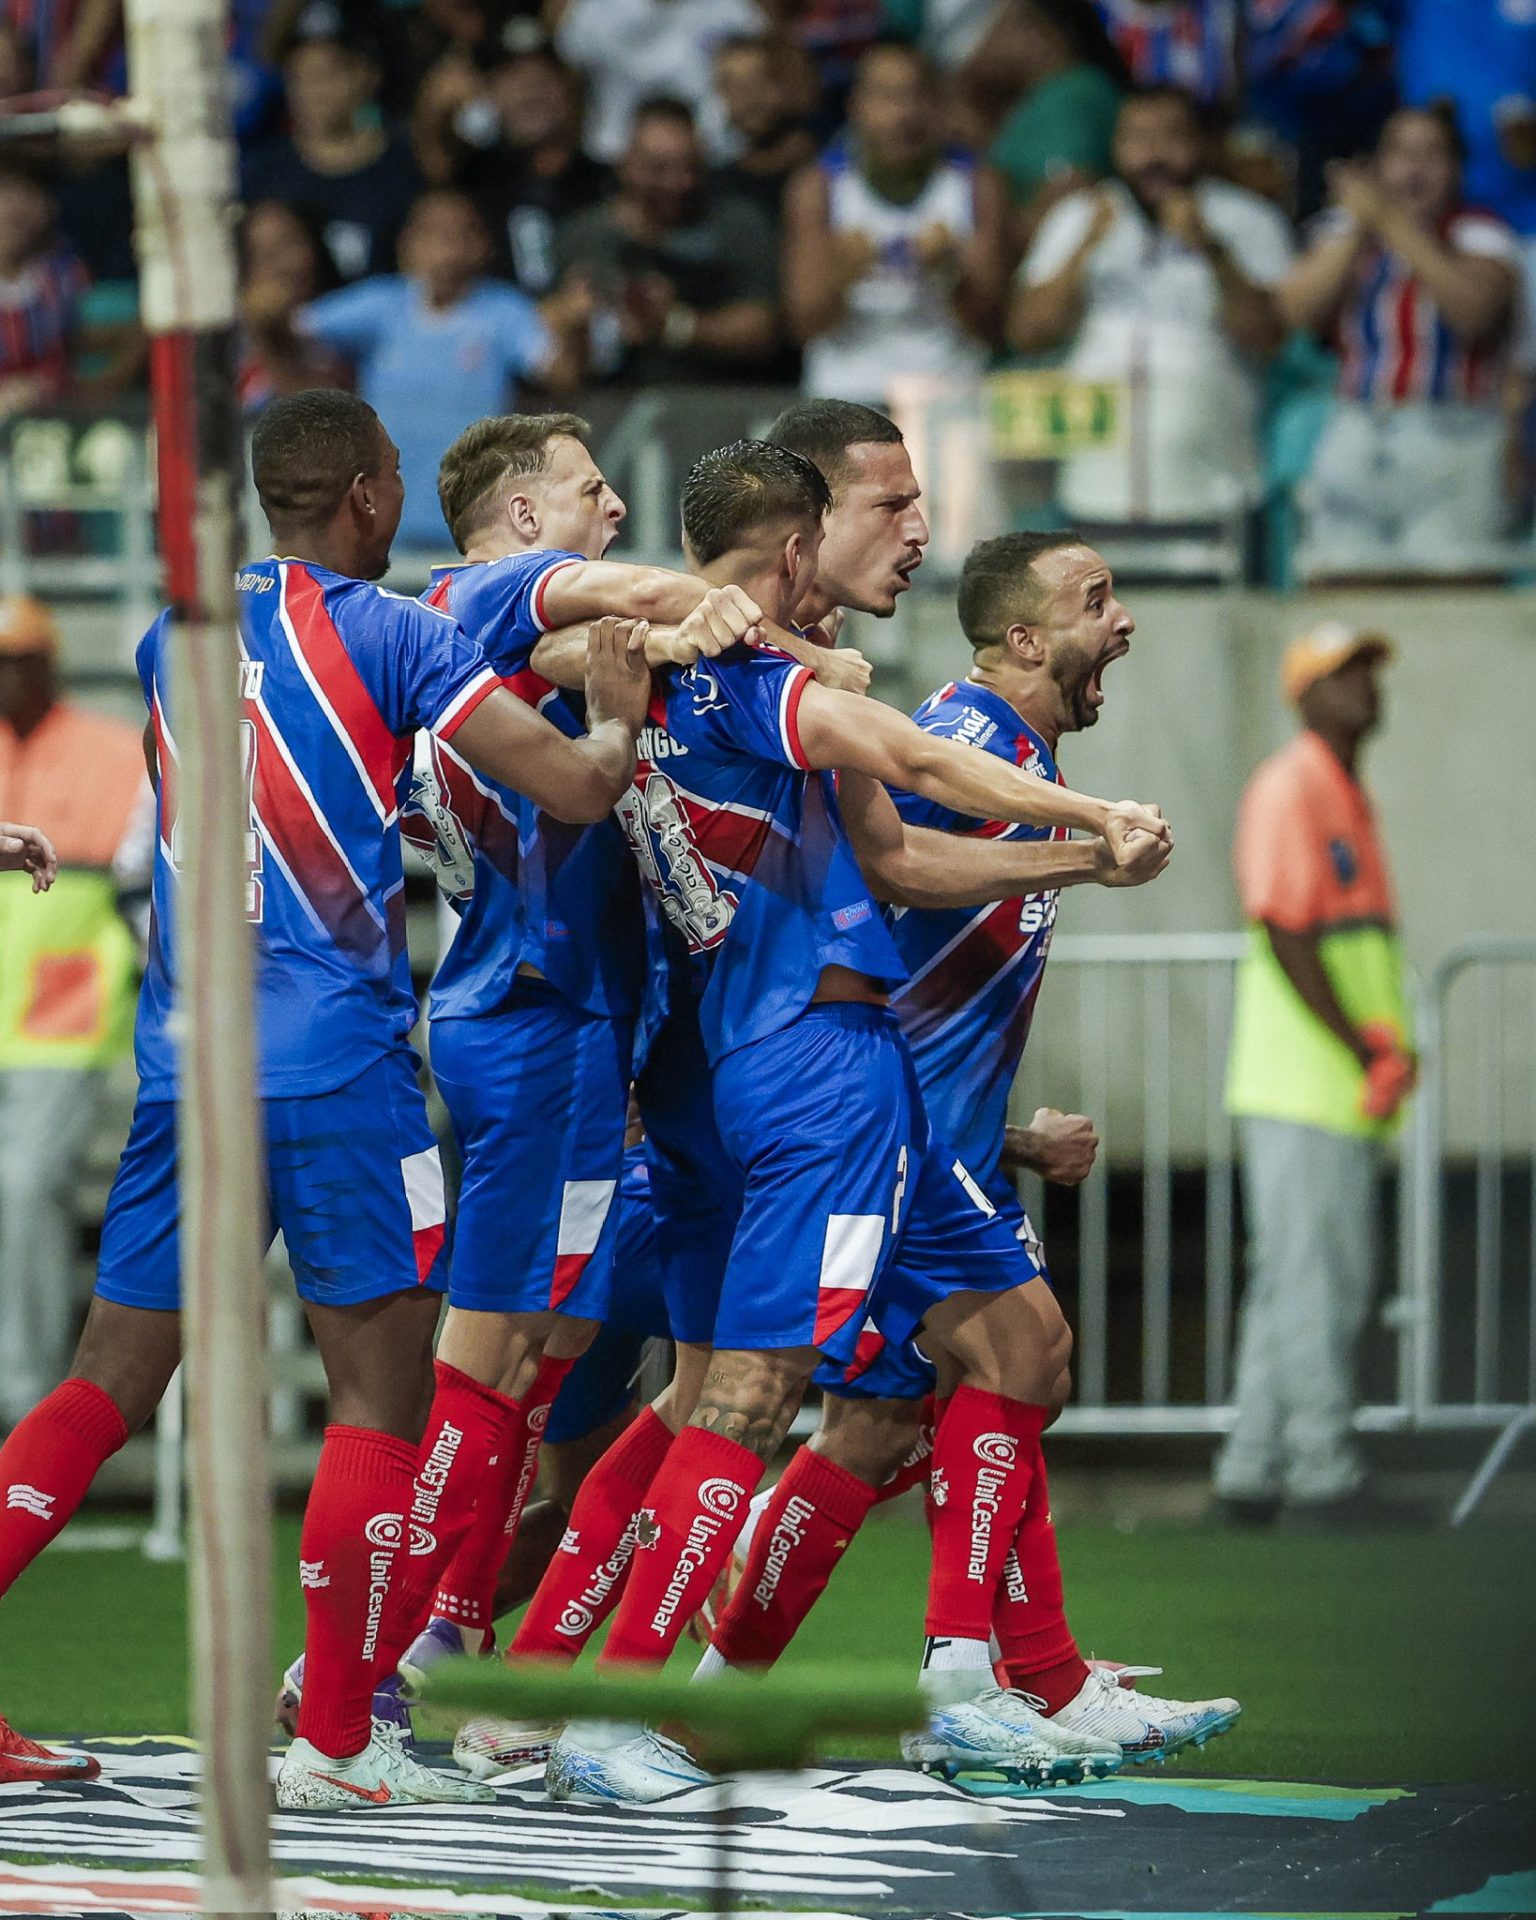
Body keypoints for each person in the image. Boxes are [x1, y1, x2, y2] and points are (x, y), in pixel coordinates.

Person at [0, 388, 652, 1805]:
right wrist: (611, 706)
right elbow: (579, 790)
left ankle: (333, 1723)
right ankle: (341, 1740)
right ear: (367, 494)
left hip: (187, 1064)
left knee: (112, 1378)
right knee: (383, 1390)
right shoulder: (397, 632)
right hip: (336, 1061)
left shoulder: (167, 634)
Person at [535, 439, 1173, 1804]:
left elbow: (874, 826)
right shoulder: (758, 688)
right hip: (818, 1069)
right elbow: (895, 766)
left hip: (718, 1059)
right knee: (755, 1397)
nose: (900, 540)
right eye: (863, 517)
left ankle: (950, 1678)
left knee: (783, 1384)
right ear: (790, 546)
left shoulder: (617, 672)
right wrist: (1090, 817)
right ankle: (625, 1701)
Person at [694, 523, 1238, 1765]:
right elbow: (887, 875)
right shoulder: (977, 740)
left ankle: (713, 1700)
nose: (1127, 620)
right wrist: (1087, 852)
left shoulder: (1002, 744)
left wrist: (1007, 1137)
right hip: (891, 1126)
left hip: (930, 1130)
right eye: (1100, 599)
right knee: (1024, 1349)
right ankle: (967, 1681)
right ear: (1030, 637)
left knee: (885, 1423)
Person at [1216, 624, 1413, 1528]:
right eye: (1345, 675)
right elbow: (1287, 929)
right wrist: (1366, 1047)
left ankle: (1252, 1472)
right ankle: (1324, 1473)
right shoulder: (1295, 784)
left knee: (1292, 1279)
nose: (1366, 687)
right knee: (1316, 1281)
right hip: (1307, 1080)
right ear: (1305, 696)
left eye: (1368, 671)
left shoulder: (1339, 787)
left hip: (1325, 1083)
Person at [0, 596, 150, 1432]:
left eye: (18, 657)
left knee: (23, 1191)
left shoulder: (106, 753)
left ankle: (22, 1408)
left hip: (58, 1021)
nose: (5, 675)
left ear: (49, 662)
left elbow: (135, 886)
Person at [1010, 85, 1291, 523]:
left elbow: (1267, 339)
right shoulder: (1081, 215)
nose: (1152, 156)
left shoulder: (1247, 219)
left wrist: (1210, 249)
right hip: (1093, 482)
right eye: (1137, 140)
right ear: (1116, 147)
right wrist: (1084, 248)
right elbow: (1027, 333)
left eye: (1170, 138)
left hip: (1214, 481)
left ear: (1200, 144)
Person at [1282, 107, 1523, 574]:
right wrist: (1359, 228)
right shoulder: (1345, 231)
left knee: (1447, 590)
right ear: (1378, 165)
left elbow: (1472, 312)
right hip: (1358, 434)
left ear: (1456, 170)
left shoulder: (1480, 233)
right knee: (1342, 586)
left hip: (1453, 439)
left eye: (1431, 154)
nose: (1414, 168)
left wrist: (1391, 222)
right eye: (1401, 153)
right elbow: (1296, 312)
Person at [288, 190, 577, 550]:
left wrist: (572, 326)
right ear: (407, 245)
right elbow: (289, 329)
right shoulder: (382, 305)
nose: (446, 246)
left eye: (459, 233)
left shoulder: (504, 312)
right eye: (432, 233)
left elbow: (560, 375)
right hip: (383, 520)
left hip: (474, 521)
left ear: (483, 245)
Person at [782, 41, 1014, 405]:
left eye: (917, 96)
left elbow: (995, 329)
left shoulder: (976, 187)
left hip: (947, 392)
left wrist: (950, 274)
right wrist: (841, 275)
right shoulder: (819, 189)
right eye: (887, 97)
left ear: (941, 107)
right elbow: (803, 326)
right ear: (856, 107)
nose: (904, 115)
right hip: (845, 396)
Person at [552, 98, 781, 388]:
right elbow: (542, 329)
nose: (679, 182)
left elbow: (763, 328)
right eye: (659, 168)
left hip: (716, 399)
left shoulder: (738, 224)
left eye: (690, 166)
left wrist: (674, 325)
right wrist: (577, 320)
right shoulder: (581, 237)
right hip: (606, 403)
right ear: (626, 163)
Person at [414, 42, 611, 296]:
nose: (528, 94)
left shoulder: (606, 182)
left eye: (542, 81)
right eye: (513, 83)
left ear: (569, 89)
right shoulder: (477, 175)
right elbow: (434, 157)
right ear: (490, 96)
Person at [241, 32, 421, 283]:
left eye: (325, 76)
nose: (312, 93)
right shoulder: (264, 171)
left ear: (366, 77)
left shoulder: (404, 168)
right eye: (298, 80)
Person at [553, 0, 768, 163]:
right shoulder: (597, 10)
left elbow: (769, 70)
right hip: (616, 158)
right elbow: (564, 80)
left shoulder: (732, 9)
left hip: (715, 156)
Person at [236, 199, 351, 413]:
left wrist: (269, 335)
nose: (282, 266)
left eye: (288, 245)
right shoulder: (224, 342)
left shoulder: (337, 334)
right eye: (263, 255)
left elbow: (314, 423)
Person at [0, 163, 87, 419]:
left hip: (53, 418)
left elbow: (91, 348)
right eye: (3, 191)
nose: (11, 206)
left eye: (25, 191)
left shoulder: (66, 277)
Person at [709, 33, 820, 223]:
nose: (751, 99)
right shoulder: (715, 187)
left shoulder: (827, 164)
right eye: (736, 87)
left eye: (759, 82)